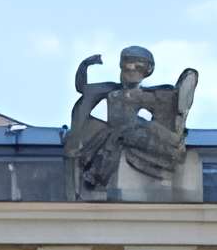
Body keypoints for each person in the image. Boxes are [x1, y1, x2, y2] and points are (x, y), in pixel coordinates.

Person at [65, 46, 198, 193]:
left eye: (138, 67)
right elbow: (82, 87)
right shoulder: (112, 90)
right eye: (128, 66)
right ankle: (95, 173)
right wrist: (85, 65)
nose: (132, 71)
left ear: (146, 72)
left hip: (138, 133)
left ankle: (173, 142)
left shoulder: (152, 94)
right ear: (122, 68)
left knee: (137, 129)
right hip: (120, 134)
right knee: (119, 133)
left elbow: (172, 104)